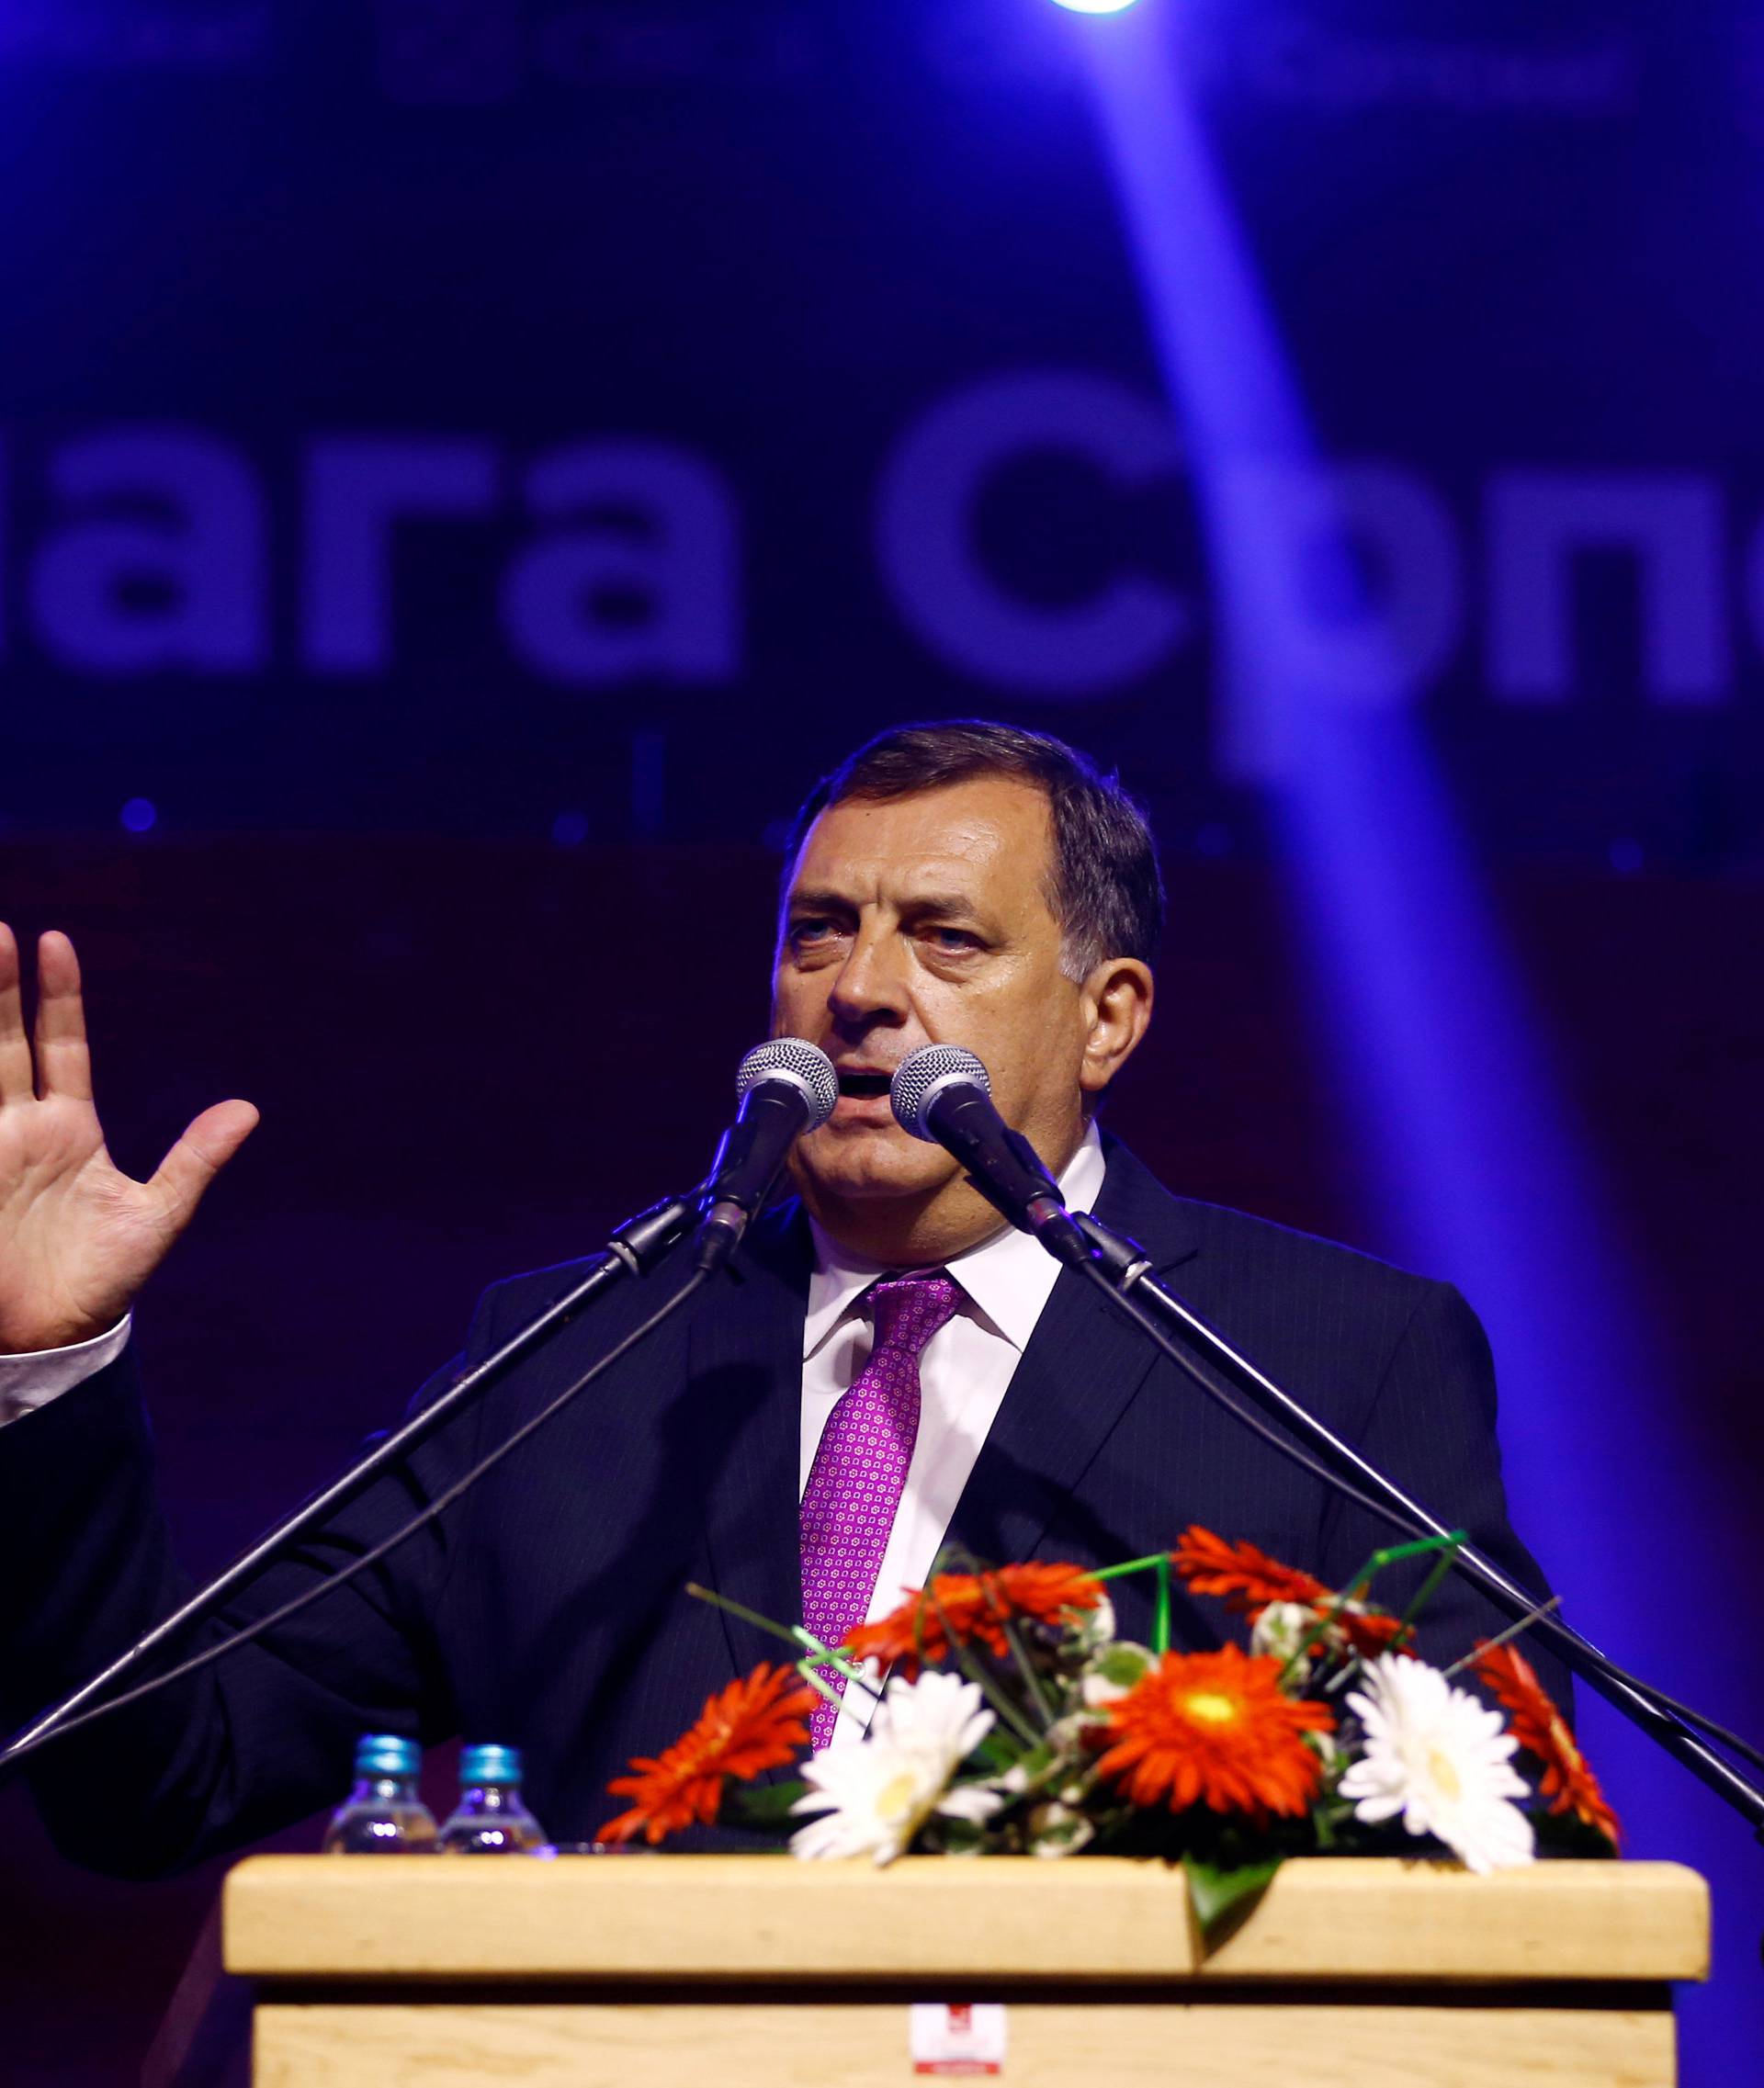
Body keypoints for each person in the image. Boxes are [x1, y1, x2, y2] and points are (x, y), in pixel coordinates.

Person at [0, 720, 1565, 1875]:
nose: (863, 988)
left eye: (946, 936)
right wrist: (49, 1361)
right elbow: (152, 1781)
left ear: (1108, 1018)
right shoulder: (569, 1359)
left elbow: (1512, 1828)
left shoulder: (1329, 1358)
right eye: (820, 929)